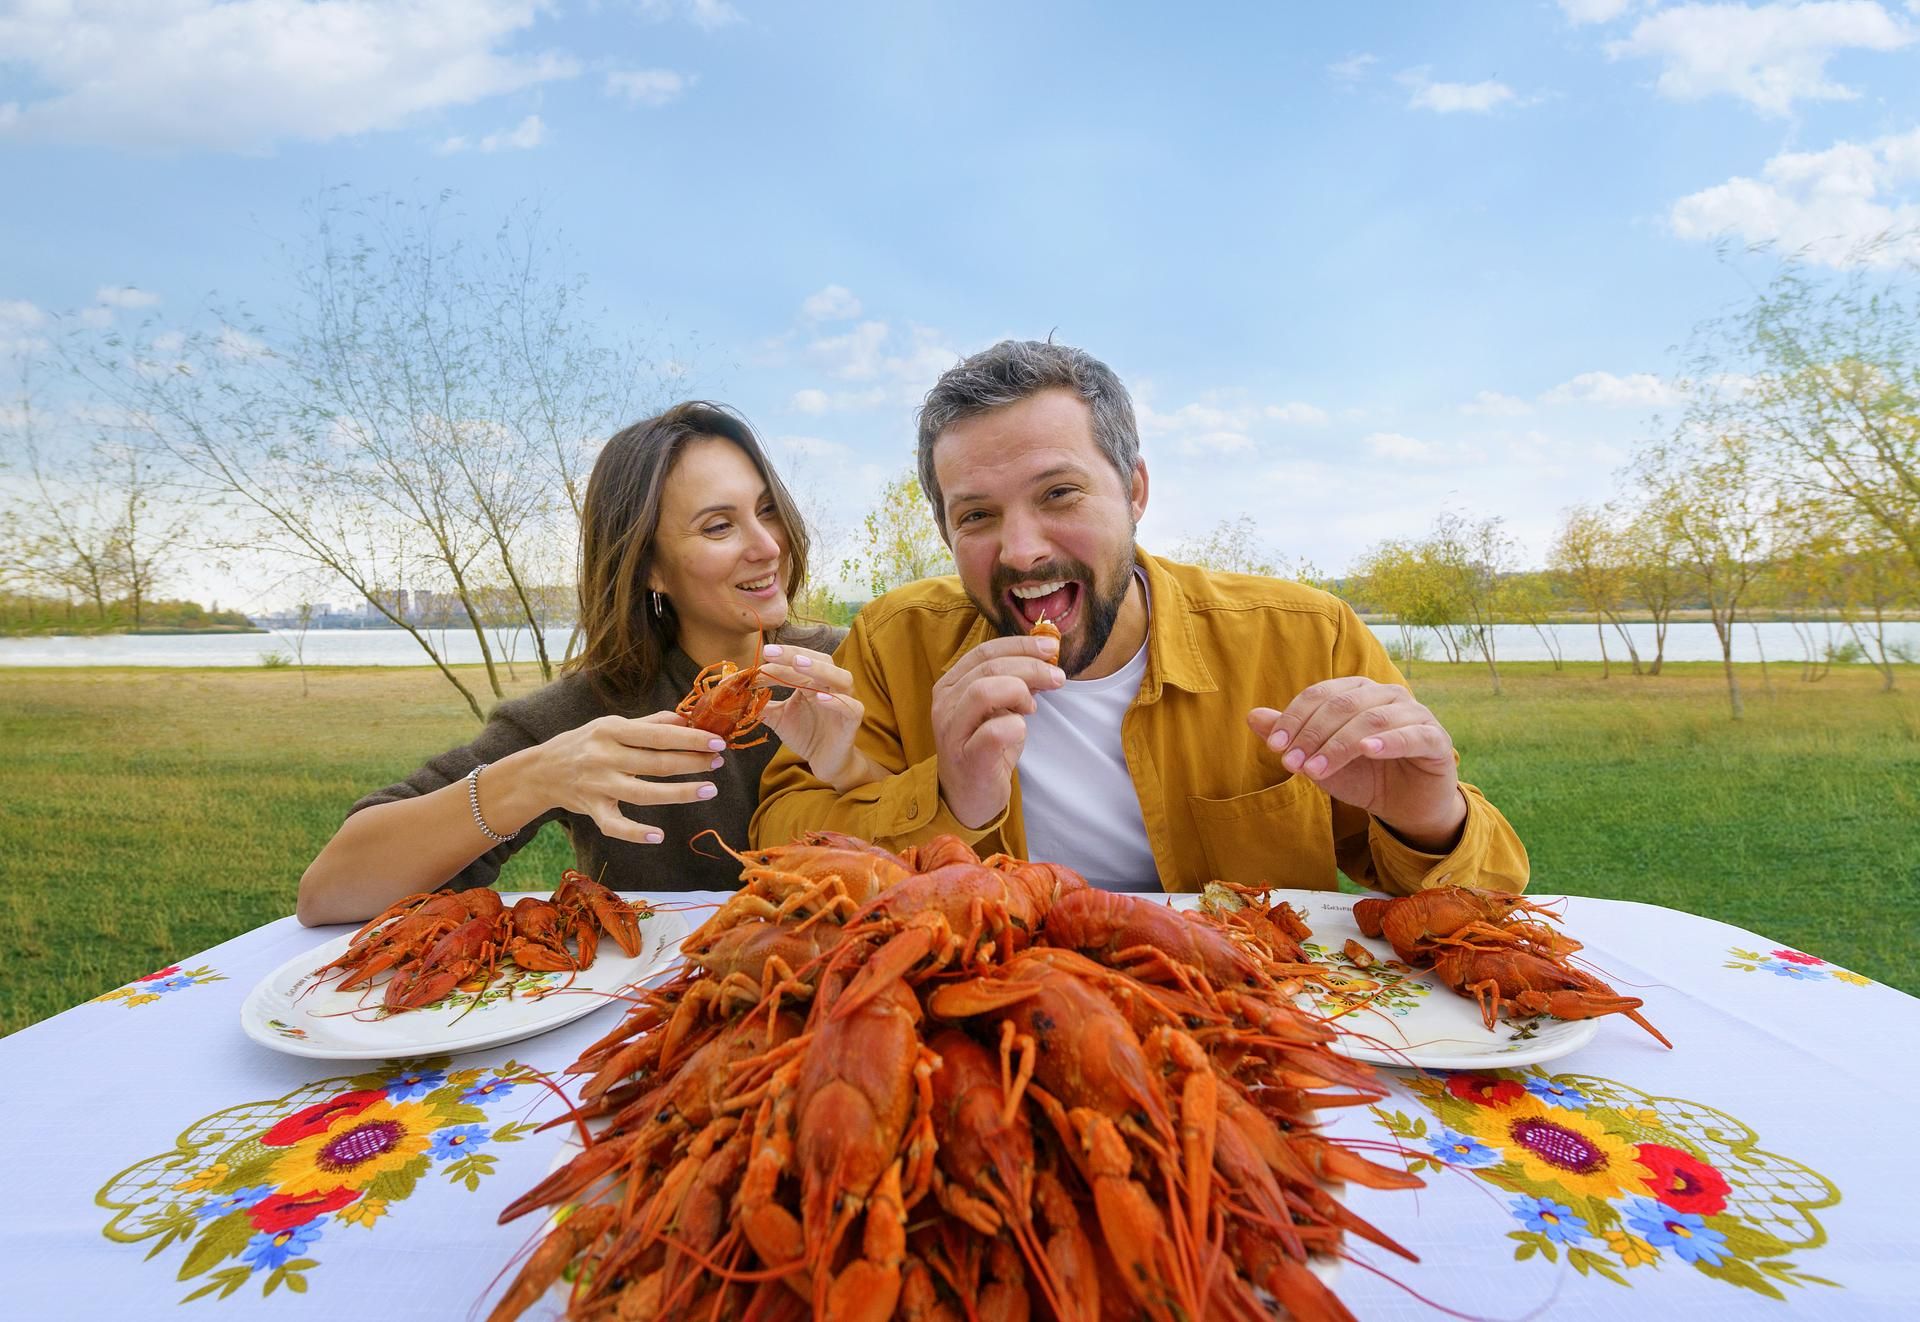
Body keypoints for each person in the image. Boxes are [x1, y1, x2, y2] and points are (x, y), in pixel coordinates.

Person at [753, 341, 1529, 895]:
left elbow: (1489, 897)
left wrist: (1431, 820)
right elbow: (780, 840)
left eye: (1060, 495)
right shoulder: (897, 640)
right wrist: (950, 802)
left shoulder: (1303, 637)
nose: (1021, 551)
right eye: (977, 515)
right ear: (947, 533)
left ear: (1134, 493)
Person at [297, 402, 872, 925]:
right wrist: (536, 777)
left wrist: (855, 769)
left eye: (768, 510)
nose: (768, 545)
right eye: (718, 525)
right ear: (650, 566)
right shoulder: (589, 712)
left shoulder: (861, 659)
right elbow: (328, 893)